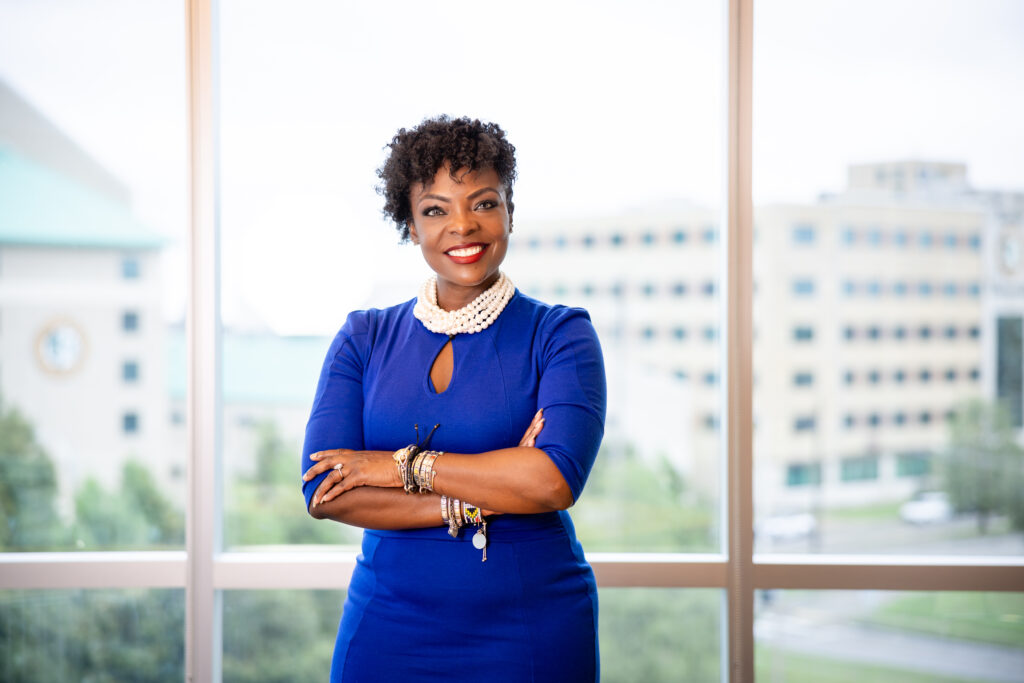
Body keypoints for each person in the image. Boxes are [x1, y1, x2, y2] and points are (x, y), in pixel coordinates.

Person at [300, 115, 607, 682]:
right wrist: (477, 498)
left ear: (510, 209)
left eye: (484, 203)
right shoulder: (363, 338)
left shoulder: (561, 334)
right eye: (435, 210)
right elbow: (324, 490)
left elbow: (552, 481)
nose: (462, 226)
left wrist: (399, 467)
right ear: (411, 226)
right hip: (386, 627)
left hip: (530, 627)